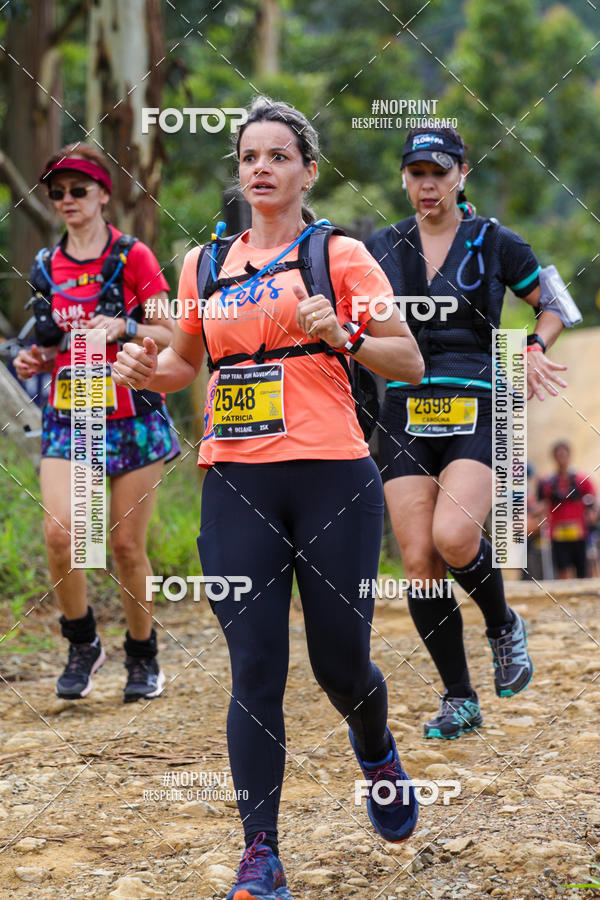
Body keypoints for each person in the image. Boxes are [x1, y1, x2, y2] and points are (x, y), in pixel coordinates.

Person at [114, 96, 424, 900]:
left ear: (307, 171)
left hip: (332, 477)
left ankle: (376, 744)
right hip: (236, 482)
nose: (260, 167)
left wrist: (342, 336)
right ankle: (262, 855)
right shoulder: (203, 263)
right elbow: (185, 362)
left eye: (277, 155)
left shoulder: (341, 256)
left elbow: (409, 361)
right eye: (249, 155)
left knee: (339, 663)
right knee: (255, 669)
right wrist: (152, 375)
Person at [365, 126, 569, 740]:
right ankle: (459, 696)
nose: (428, 184)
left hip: (479, 403)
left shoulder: (494, 241)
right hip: (402, 411)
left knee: (454, 537)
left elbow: (554, 301)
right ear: (404, 178)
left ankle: (503, 624)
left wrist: (535, 344)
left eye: (439, 171)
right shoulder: (379, 247)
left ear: (461, 173)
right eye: (417, 173)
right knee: (419, 561)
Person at [14, 144, 179, 703]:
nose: (66, 200)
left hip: (133, 416)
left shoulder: (133, 257)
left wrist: (125, 326)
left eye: (77, 190)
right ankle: (82, 643)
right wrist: (31, 358)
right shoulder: (44, 266)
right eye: (56, 192)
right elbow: (44, 341)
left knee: (126, 546)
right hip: (70, 414)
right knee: (64, 536)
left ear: (103, 195)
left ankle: (142, 653)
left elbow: (172, 335)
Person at [537, 440, 596, 578]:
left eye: (564, 454)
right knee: (563, 570)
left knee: (583, 570)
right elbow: (540, 503)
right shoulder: (547, 482)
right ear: (554, 457)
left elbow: (593, 500)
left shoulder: (582, 479)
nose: (561, 458)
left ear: (569, 455)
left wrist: (592, 512)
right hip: (558, 533)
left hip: (579, 533)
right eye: (558, 455)